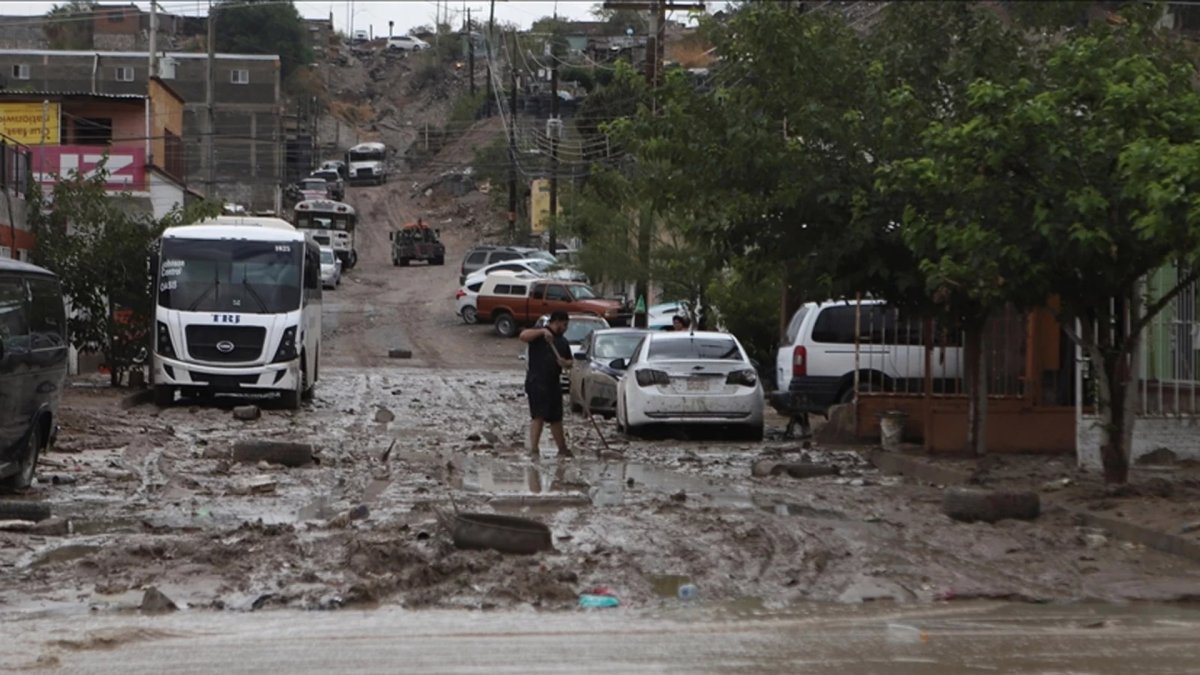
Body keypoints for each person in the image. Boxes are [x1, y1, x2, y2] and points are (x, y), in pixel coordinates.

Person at [519, 311, 575, 457]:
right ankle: (534, 449)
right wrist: (542, 331)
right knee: (538, 416)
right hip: (537, 381)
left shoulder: (562, 341)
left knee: (556, 417)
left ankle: (562, 449)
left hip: (553, 383)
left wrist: (565, 363)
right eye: (564, 325)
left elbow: (570, 362)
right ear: (556, 321)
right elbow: (523, 336)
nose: (565, 328)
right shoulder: (538, 335)